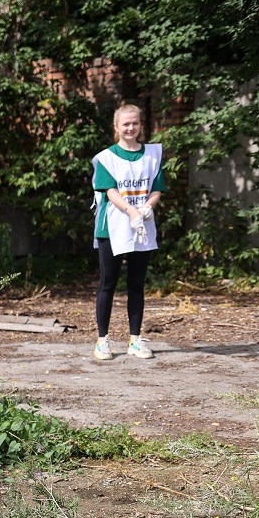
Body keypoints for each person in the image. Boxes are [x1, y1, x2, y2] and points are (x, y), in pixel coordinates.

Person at [91, 103, 166, 361]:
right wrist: (131, 211)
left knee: (136, 284)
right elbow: (109, 191)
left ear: (140, 125)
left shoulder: (152, 155)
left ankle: (135, 340)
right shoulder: (106, 157)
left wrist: (146, 208)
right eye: (125, 124)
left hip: (142, 227)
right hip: (112, 229)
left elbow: (157, 187)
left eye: (135, 123)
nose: (130, 128)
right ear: (117, 127)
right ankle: (103, 341)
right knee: (108, 284)